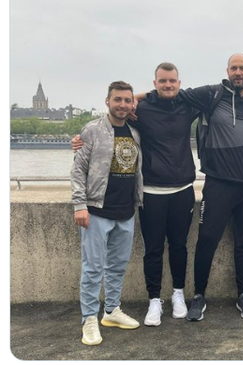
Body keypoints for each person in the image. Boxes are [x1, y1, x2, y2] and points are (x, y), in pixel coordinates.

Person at [73, 64, 200, 327]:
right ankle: (153, 300)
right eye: (162, 81)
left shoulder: (186, 107)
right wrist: (79, 203)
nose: (167, 85)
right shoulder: (136, 114)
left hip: (179, 191)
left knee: (178, 246)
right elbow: (82, 162)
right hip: (149, 193)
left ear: (179, 83)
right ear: (155, 83)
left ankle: (177, 294)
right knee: (151, 249)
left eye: (172, 81)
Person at [180, 54, 243, 321]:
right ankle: (199, 296)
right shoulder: (212, 94)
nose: (238, 72)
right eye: (234, 68)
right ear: (227, 70)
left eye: (242, 68)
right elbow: (173, 93)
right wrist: (136, 99)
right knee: (207, 241)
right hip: (218, 183)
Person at [71, 81, 142, 346]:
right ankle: (89, 318)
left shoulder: (135, 133)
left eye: (127, 100)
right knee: (92, 268)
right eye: (117, 100)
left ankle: (111, 310)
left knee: (117, 266)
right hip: (96, 210)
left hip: (125, 211)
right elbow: (78, 170)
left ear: (132, 103)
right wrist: (79, 205)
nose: (122, 105)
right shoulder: (92, 130)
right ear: (107, 101)